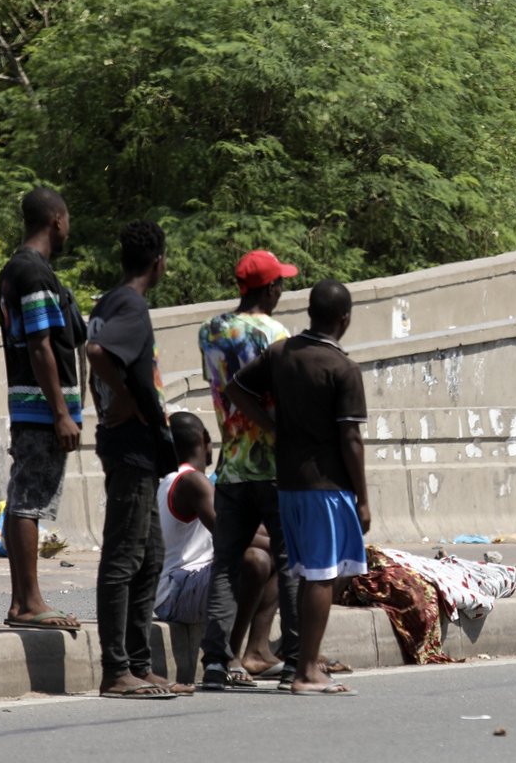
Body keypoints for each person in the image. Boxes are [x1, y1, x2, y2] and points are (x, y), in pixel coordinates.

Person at [227, 279, 370, 696]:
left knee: (308, 573)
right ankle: (307, 670)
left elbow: (236, 388)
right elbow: (351, 440)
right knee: (322, 577)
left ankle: (304, 663)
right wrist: (362, 497)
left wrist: (272, 426)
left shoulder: (281, 353)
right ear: (345, 319)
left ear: (309, 312)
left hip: (287, 483)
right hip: (326, 486)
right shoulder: (342, 368)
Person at [85, 219, 185, 699]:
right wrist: (123, 399)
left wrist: (110, 403)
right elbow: (97, 351)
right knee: (124, 556)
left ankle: (139, 665)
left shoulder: (108, 301)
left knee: (151, 555)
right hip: (129, 446)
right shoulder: (132, 305)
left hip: (134, 447)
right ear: (159, 260)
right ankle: (116, 670)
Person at [197, 250, 304, 692]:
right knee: (290, 561)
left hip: (232, 464)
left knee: (225, 564)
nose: (282, 289)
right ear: (270, 288)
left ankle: (216, 662)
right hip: (273, 464)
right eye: (280, 283)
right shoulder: (279, 334)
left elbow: (221, 389)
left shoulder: (211, 331)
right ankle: (296, 662)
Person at [0, 187, 85, 631]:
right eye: (67, 219)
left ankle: (21, 603)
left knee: (22, 500)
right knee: (28, 501)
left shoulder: (21, 269)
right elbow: (39, 345)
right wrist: (61, 412)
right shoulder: (32, 273)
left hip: (32, 406)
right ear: (56, 220)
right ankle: (29, 602)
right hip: (39, 409)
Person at [156, 412, 282, 686]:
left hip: (182, 587)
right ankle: (230, 655)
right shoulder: (192, 481)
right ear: (205, 440)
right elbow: (232, 534)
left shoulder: (171, 479)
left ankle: (258, 650)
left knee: (275, 556)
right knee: (255, 560)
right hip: (177, 591)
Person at [341, 546, 516, 665]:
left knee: (443, 571)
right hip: (385, 573)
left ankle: (501, 575)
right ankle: (506, 578)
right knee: (460, 582)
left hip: (382, 563)